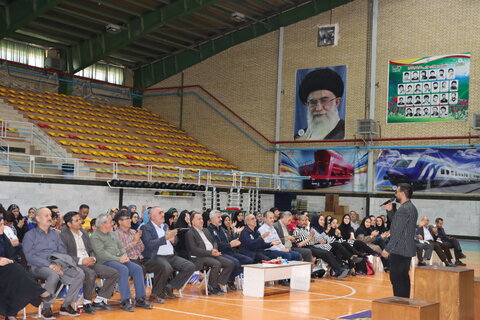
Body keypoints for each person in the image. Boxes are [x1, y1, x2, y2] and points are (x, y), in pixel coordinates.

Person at [23, 207, 85, 318]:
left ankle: (66, 305)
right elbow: (30, 257)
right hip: (37, 266)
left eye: (50, 216)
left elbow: (62, 251)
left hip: (57, 264)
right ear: (37, 218)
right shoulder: (30, 235)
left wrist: (60, 264)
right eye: (46, 216)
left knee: (79, 273)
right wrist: (50, 265)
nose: (50, 218)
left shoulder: (55, 234)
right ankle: (46, 308)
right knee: (53, 274)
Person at [90, 214, 152, 312]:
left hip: (119, 259)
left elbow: (121, 247)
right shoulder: (95, 236)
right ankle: (125, 301)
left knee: (137, 269)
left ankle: (140, 299)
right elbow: (101, 254)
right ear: (103, 224)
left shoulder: (112, 233)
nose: (112, 223)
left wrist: (124, 255)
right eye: (111, 222)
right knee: (123, 269)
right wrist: (118, 259)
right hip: (105, 262)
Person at [60, 211, 118, 313]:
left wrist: (93, 258)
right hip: (75, 264)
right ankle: (86, 303)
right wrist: (82, 260)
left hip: (89, 262)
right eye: (76, 220)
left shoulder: (84, 233)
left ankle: (99, 300)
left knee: (113, 273)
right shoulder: (64, 235)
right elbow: (65, 255)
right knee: (90, 273)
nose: (80, 222)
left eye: (80, 219)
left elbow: (91, 249)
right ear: (69, 224)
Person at [0, 216, 56, 320]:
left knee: (16, 277)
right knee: (17, 272)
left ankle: (11, 314)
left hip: (7, 269)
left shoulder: (3, 237)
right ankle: (41, 293)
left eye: (3, 224)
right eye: (0, 225)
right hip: (5, 270)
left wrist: (9, 260)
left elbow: (12, 255)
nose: (3, 227)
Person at [140, 207, 195, 301]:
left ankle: (169, 287)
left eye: (162, 212)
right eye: (160, 213)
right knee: (166, 267)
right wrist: (165, 238)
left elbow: (175, 241)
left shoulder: (165, 226)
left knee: (190, 266)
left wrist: (174, 240)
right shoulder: (146, 227)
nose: (163, 214)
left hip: (170, 256)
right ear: (152, 217)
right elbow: (149, 244)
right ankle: (155, 294)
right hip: (155, 256)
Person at [382, 183, 418, 298]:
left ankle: (399, 305)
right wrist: (390, 211)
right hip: (406, 250)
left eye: (396, 192)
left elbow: (397, 231)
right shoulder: (411, 207)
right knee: (403, 278)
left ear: (402, 193)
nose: (395, 194)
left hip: (399, 250)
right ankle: (404, 303)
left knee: (397, 279)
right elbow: (398, 225)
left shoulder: (403, 209)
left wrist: (388, 249)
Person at [185, 212, 234, 295]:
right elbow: (194, 250)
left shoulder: (205, 230)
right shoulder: (190, 233)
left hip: (212, 254)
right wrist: (210, 253)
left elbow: (214, 241)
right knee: (216, 264)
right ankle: (211, 287)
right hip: (198, 257)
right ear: (193, 222)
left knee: (230, 263)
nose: (201, 221)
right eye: (199, 219)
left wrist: (214, 249)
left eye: (202, 219)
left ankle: (217, 283)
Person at [208, 210, 253, 290]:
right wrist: (230, 244)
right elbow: (216, 245)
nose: (220, 219)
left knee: (248, 260)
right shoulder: (209, 230)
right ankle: (224, 280)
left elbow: (228, 241)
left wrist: (235, 240)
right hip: (220, 253)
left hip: (229, 251)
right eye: (218, 217)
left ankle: (229, 278)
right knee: (235, 262)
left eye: (220, 217)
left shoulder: (221, 228)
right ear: (212, 219)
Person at [293, 215, 349, 279]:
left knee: (328, 253)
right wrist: (310, 238)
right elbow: (299, 245)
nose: (305, 222)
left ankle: (338, 270)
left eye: (306, 220)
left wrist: (315, 239)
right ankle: (339, 270)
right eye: (303, 220)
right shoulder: (296, 231)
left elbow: (313, 241)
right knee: (326, 253)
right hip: (305, 248)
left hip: (312, 246)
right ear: (298, 221)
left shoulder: (306, 229)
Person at [296, 68, 345, 140]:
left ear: (337, 102)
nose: (318, 108)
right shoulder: (299, 137)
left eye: (324, 101)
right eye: (313, 102)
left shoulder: (346, 132)